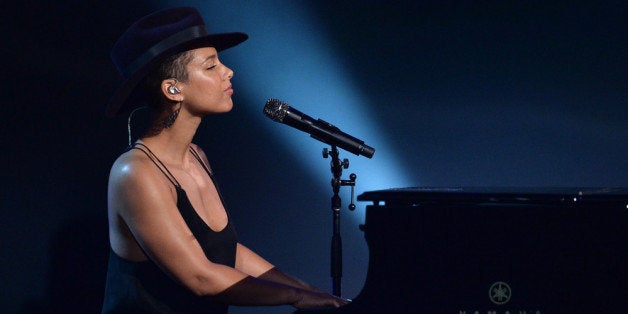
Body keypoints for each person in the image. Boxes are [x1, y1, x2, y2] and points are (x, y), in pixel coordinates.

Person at [101, 6, 350, 313]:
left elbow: (228, 252)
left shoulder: (196, 156)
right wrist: (295, 297)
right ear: (173, 88)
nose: (228, 71)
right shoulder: (135, 173)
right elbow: (200, 277)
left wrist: (308, 290)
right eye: (211, 66)